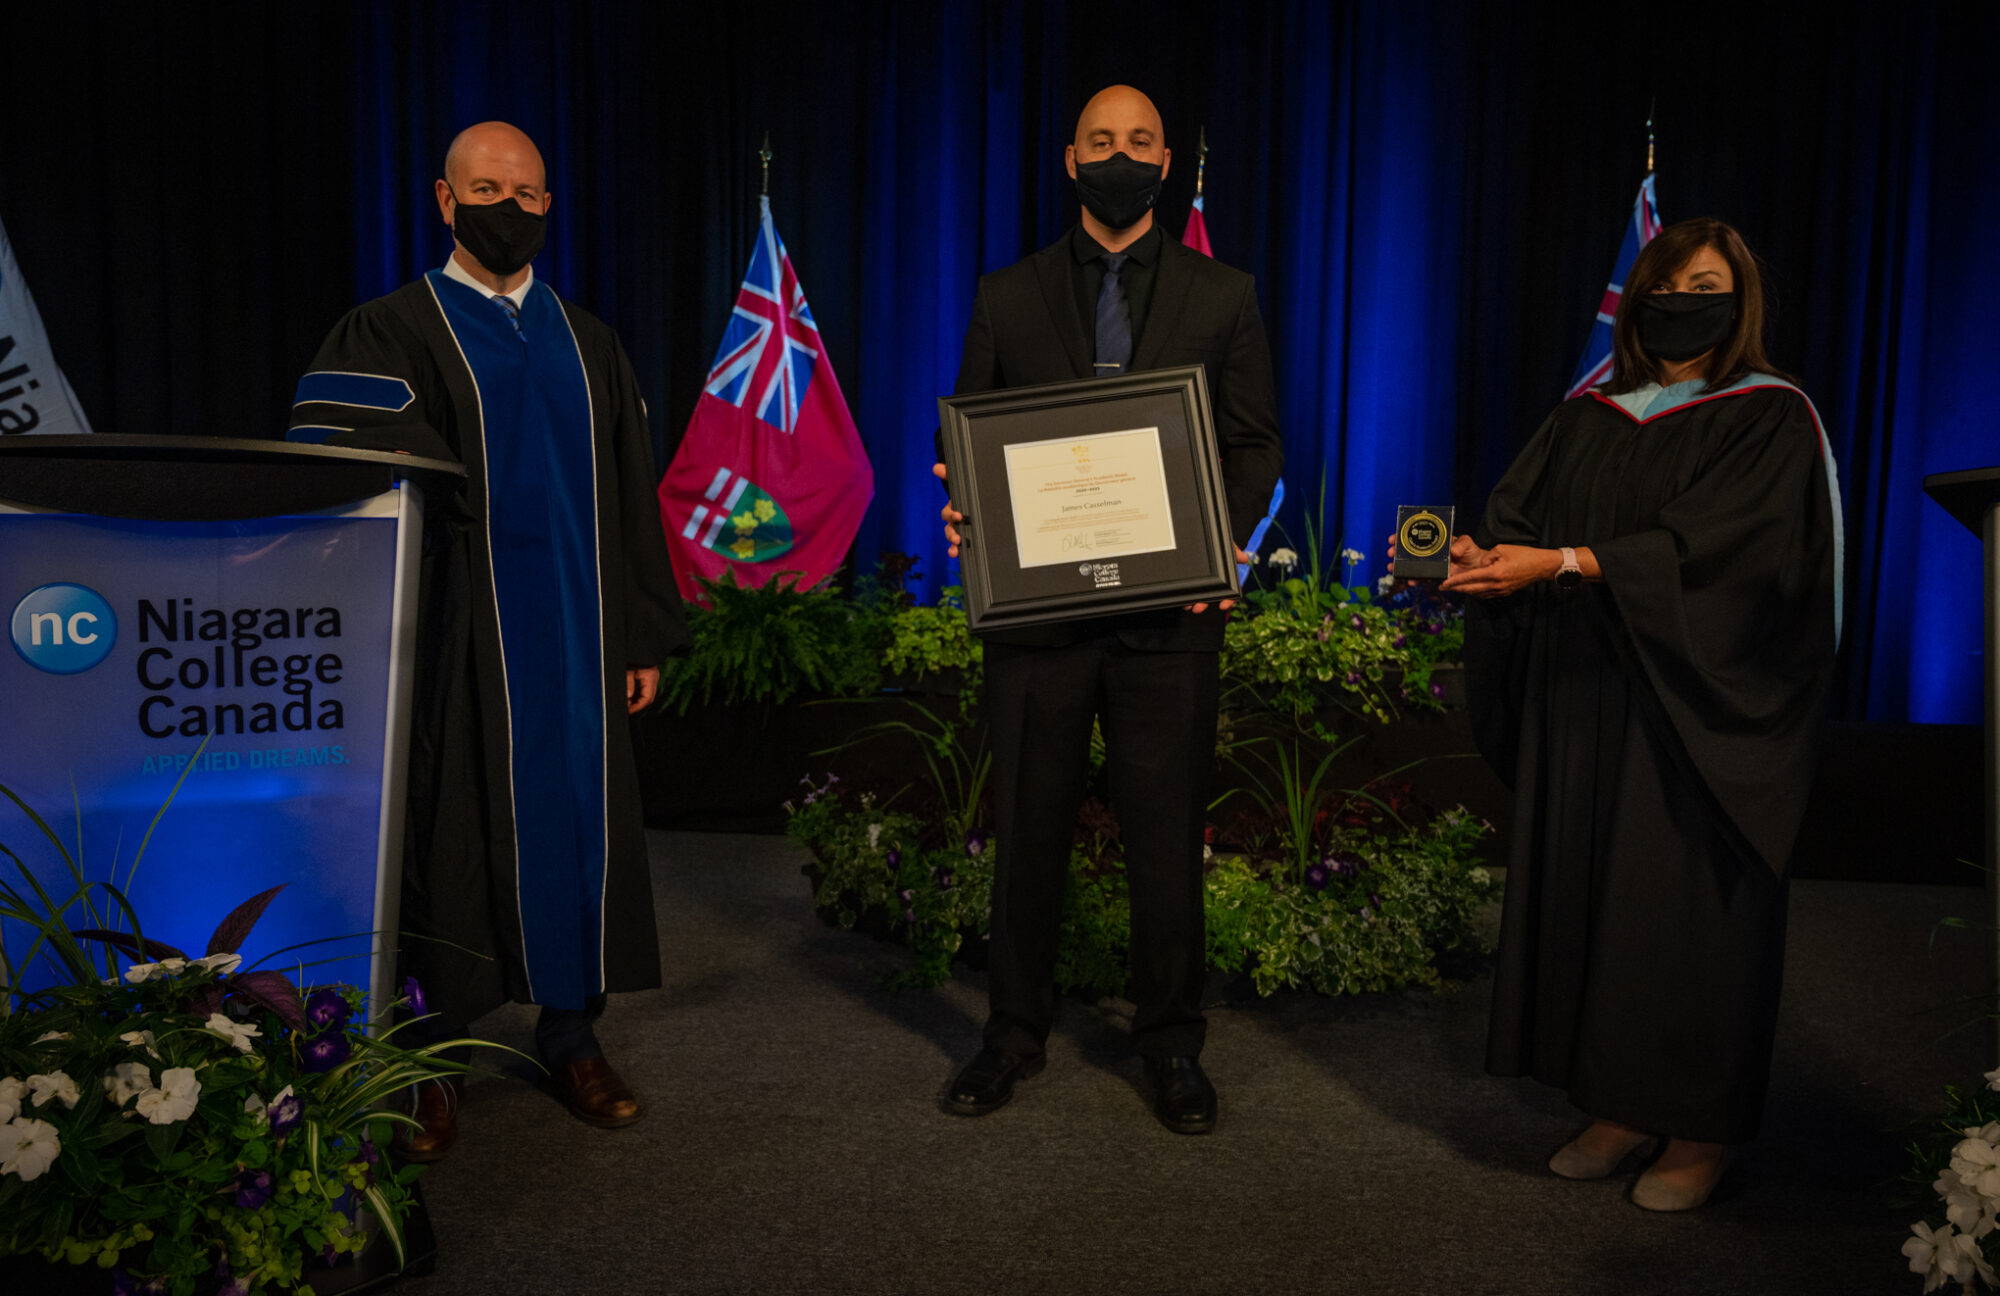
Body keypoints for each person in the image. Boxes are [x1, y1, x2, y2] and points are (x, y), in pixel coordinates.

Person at [286, 122, 687, 1153]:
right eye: (488, 188)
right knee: (445, 838)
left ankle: (571, 1036)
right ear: (444, 197)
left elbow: (630, 497)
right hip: (455, 641)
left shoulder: (586, 339)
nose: (511, 206)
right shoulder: (388, 332)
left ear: (550, 206)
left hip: (575, 641)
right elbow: (343, 484)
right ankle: (434, 1054)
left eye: (530, 192)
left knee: (576, 827)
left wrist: (640, 632)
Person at [1443, 217, 1841, 1210]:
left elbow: (1731, 557)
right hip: (1585, 696)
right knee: (1602, 910)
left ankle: (1698, 1131)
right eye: (1664, 283)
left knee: (1681, 919)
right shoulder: (1593, 409)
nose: (1680, 300)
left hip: (1695, 713)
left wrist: (1574, 564)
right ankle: (1619, 1108)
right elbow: (1524, 516)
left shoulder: (1766, 416)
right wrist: (1488, 564)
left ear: (1736, 300)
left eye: (1703, 284)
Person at [934, 85, 1283, 1135]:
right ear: (1069, 159)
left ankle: (1171, 1046)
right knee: (1027, 834)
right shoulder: (1007, 293)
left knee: (1166, 842)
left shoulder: (1224, 294)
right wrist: (964, 509)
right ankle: (1010, 1037)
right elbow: (970, 437)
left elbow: (1254, 442)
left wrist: (1220, 540)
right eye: (1100, 140)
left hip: (1168, 622)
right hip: (1037, 624)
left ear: (1163, 161)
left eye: (1137, 141)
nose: (1118, 155)